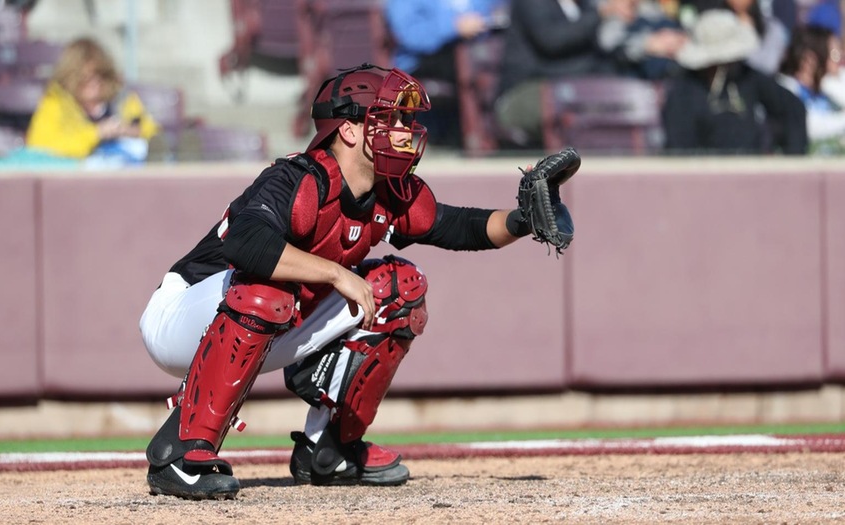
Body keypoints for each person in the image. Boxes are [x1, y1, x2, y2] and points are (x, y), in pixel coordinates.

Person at [139, 63, 576, 500]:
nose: (407, 130)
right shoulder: (299, 179)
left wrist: (523, 221)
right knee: (268, 287)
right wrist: (335, 273)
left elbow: (457, 227)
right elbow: (246, 244)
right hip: (183, 318)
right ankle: (181, 450)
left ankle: (329, 449)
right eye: (393, 119)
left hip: (274, 323)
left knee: (400, 288)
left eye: (408, 120)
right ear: (349, 130)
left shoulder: (386, 190)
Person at [661, 9, 807, 154]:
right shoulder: (684, 92)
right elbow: (679, 149)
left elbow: (793, 108)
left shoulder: (746, 77)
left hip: (752, 169)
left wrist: (792, 155)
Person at [492, 0, 622, 148]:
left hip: (569, 86)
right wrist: (599, 14)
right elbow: (552, 41)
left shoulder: (584, 6)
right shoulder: (533, 3)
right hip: (525, 91)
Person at [384, 0, 510, 147]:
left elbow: (496, 12)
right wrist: (454, 27)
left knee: (497, 58)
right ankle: (480, 135)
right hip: (422, 61)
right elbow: (409, 34)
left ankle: (500, 129)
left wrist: (484, 22)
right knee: (471, 64)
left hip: (476, 53)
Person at [25, 37, 160, 161]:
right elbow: (39, 146)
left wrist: (132, 131)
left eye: (100, 74)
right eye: (85, 77)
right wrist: (96, 134)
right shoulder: (55, 103)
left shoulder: (122, 99)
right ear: (70, 76)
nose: (94, 82)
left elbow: (151, 131)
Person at [777, 24, 845, 155]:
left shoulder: (834, 83)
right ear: (810, 59)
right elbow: (809, 127)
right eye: (835, 54)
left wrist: (825, 82)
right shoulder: (787, 88)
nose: (840, 59)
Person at [599, 0, 688, 80]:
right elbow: (611, 43)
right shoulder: (610, 28)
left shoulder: (649, 13)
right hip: (638, 84)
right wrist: (648, 44)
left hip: (680, 62)